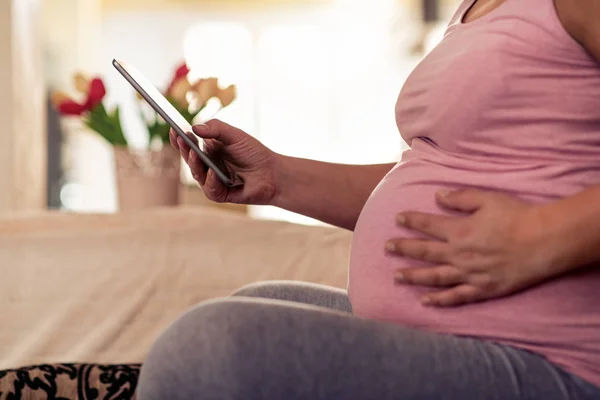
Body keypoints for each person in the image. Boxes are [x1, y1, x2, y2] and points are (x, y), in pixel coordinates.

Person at [138, 0, 600, 398]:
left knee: (205, 351)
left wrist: (535, 237)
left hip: (555, 358)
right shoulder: (475, 8)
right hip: (469, 333)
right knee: (258, 302)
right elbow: (440, 184)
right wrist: (277, 179)